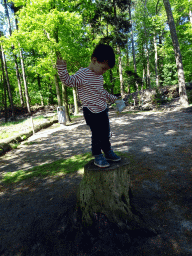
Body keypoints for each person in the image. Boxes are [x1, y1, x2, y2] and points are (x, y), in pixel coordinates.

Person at [56, 43, 121, 168]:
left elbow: (101, 92)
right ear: (94, 60)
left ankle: (107, 151)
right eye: (103, 68)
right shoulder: (83, 74)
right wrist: (62, 69)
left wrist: (114, 98)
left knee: (106, 132)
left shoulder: (99, 77)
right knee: (97, 134)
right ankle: (97, 155)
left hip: (102, 109)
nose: (104, 72)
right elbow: (68, 81)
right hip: (91, 111)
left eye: (106, 70)